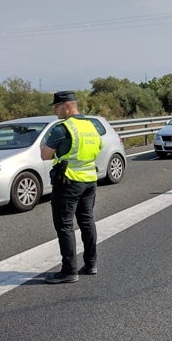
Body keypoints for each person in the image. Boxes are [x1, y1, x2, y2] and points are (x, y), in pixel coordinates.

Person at [40, 90, 103, 284]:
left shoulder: (62, 128)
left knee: (65, 225)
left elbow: (45, 155)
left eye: (57, 107)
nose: (55, 111)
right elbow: (98, 148)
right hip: (90, 180)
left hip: (68, 181)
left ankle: (69, 271)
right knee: (87, 221)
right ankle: (91, 264)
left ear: (67, 106)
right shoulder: (91, 126)